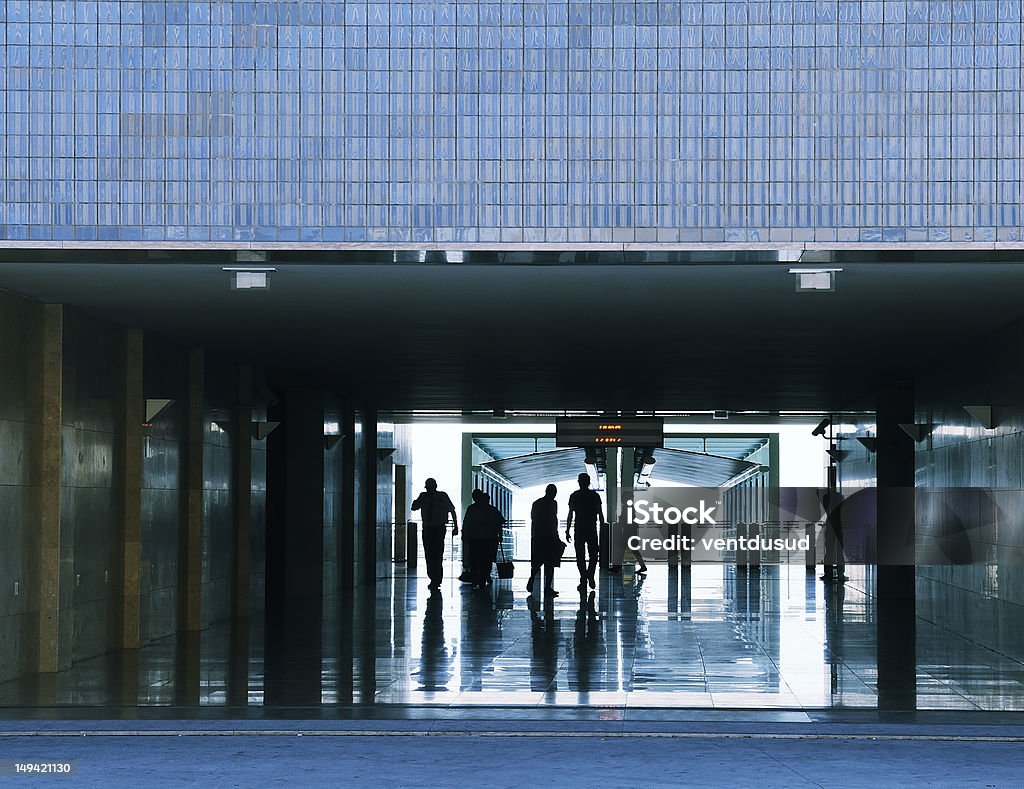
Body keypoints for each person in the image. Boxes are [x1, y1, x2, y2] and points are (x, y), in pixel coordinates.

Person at [411, 478, 458, 590]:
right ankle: (433, 577)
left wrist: (456, 526)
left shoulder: (442, 496)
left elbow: (452, 510)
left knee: (436, 553)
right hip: (428, 528)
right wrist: (418, 500)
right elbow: (414, 508)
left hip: (438, 528)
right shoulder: (423, 496)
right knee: (430, 553)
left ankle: (436, 578)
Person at [566, 472, 604, 592]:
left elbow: (570, 514)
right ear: (588, 482)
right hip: (591, 528)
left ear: (579, 482)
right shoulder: (595, 496)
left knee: (580, 555)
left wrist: (567, 530)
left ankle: (583, 577)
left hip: (579, 529)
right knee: (594, 554)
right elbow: (600, 513)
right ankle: (590, 575)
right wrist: (602, 528)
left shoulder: (574, 496)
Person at [462, 490, 505, 588]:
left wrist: (464, 535)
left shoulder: (471, 509)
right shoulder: (491, 509)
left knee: (474, 560)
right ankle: (483, 578)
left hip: (474, 538)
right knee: (486, 560)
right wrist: (500, 535)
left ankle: (475, 579)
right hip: (488, 538)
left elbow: (466, 524)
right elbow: (499, 523)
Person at [527, 484, 564, 597]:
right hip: (550, 536)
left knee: (537, 563)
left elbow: (534, 518)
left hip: (538, 536)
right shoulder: (553, 503)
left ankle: (532, 578)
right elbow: (554, 519)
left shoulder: (537, 503)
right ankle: (547, 587)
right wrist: (556, 535)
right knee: (550, 564)